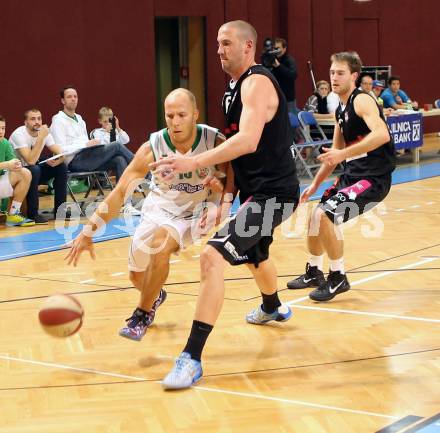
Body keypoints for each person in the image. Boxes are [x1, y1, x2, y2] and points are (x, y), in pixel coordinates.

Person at [151, 20, 299, 389]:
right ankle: (273, 306)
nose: (218, 49)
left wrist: (193, 162)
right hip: (252, 193)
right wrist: (227, 196)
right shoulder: (231, 91)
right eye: (217, 43)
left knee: (212, 256)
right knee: (256, 255)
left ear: (248, 47)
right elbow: (236, 155)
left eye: (226, 43)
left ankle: (191, 358)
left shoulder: (257, 83)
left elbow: (247, 141)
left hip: (275, 195)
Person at [65, 88, 226, 341]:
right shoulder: (152, 147)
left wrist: (221, 195)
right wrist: (88, 232)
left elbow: (233, 177)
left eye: (181, 115)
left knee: (160, 244)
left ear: (195, 114)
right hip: (158, 207)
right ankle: (154, 295)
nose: (175, 121)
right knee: (136, 275)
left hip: (196, 211)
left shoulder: (214, 141)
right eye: (169, 115)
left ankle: (141, 314)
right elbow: (119, 193)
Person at [287, 51, 395, 301]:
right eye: (332, 72)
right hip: (352, 175)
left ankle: (338, 278)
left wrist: (343, 153)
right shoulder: (341, 110)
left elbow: (382, 135)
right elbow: (333, 154)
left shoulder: (362, 100)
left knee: (325, 216)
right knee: (315, 216)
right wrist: (314, 184)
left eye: (340, 73)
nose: (334, 77)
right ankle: (314, 271)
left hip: (373, 178)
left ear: (354, 76)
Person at [50, 86, 134, 182]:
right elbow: (60, 150)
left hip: (89, 156)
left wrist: (93, 144)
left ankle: (122, 195)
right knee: (117, 145)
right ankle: (145, 171)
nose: (73, 99)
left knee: (120, 159)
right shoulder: (58, 120)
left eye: (75, 96)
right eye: (69, 97)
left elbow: (87, 143)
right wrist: (85, 144)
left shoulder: (80, 119)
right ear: (63, 101)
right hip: (74, 161)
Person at [9, 109, 67, 223]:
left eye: (39, 118)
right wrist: (41, 138)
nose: (37, 122)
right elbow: (30, 160)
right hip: (18, 173)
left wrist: (61, 158)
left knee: (61, 167)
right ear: (25, 122)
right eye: (33, 119)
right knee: (34, 169)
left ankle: (60, 211)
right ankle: (33, 214)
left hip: (33, 169)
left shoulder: (44, 132)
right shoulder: (19, 134)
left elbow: (59, 150)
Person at [0, 115, 35, 227]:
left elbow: (12, 161)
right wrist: (6, 164)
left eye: (3, 128)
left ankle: (13, 214)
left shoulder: (5, 143)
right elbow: (7, 164)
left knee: (25, 173)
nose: (1, 131)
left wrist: (16, 164)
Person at [271, 37, 298, 114]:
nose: (276, 50)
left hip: (288, 99)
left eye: (278, 48)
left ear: (284, 48)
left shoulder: (289, 60)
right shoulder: (271, 60)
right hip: (274, 98)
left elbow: (293, 75)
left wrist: (279, 66)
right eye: (274, 48)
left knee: (290, 122)